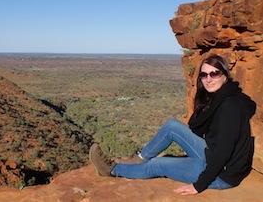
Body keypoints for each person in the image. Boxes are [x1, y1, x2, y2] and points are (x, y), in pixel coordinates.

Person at [89, 54, 256, 195]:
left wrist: (198, 186)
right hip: (210, 153)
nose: (208, 79)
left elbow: (223, 153)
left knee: (158, 164)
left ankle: (112, 170)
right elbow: (196, 128)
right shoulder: (223, 96)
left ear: (225, 75)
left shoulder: (230, 106)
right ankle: (139, 159)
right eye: (204, 75)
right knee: (172, 126)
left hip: (222, 174)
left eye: (214, 74)